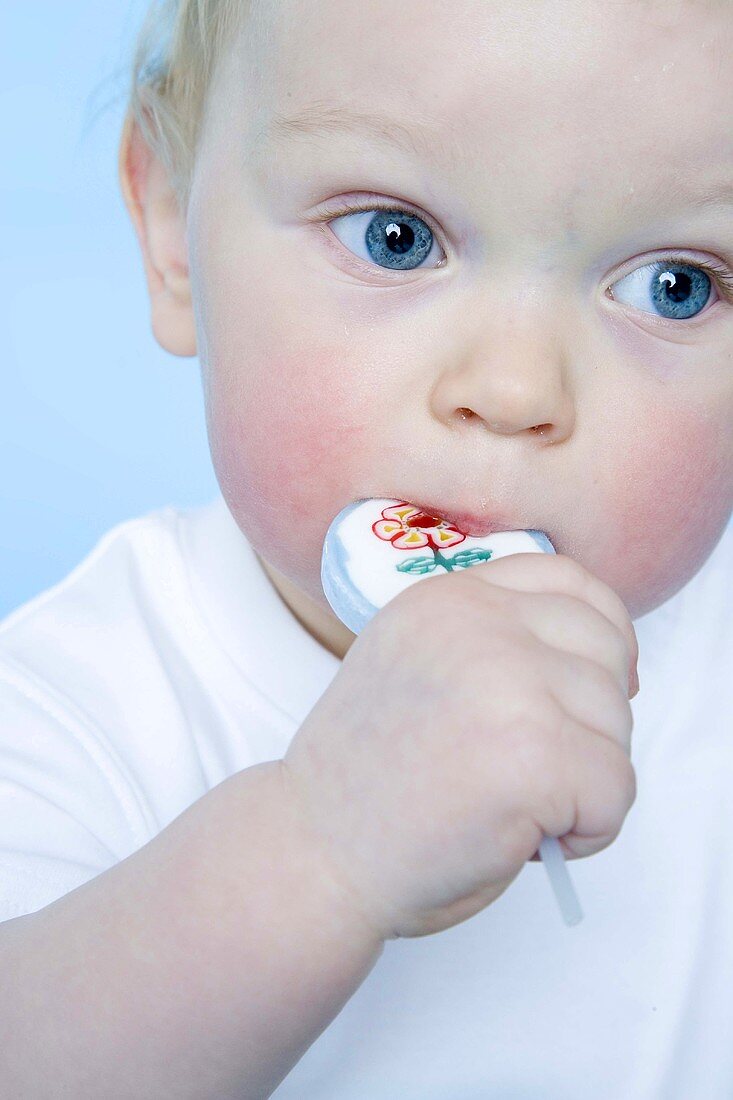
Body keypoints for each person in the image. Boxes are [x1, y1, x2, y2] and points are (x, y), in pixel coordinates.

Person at [1, 0, 731, 1095]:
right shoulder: (75, 706)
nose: (513, 388)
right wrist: (318, 848)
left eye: (675, 286)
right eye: (396, 237)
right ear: (169, 229)